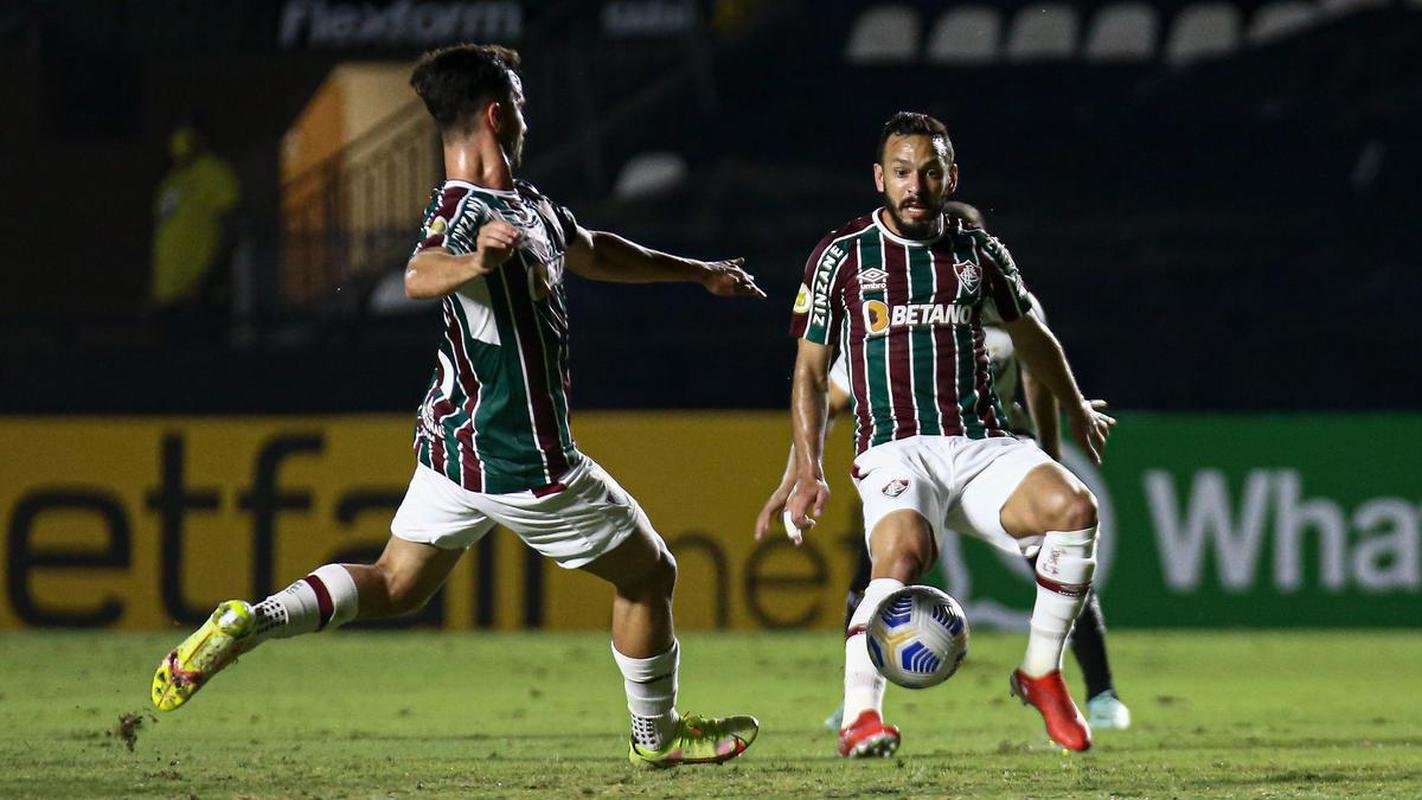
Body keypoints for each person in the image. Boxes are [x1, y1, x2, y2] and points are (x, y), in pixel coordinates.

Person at [150, 44, 765, 769]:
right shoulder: (465, 212)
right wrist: (475, 264)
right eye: (523, 106)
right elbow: (419, 274)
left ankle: (252, 620)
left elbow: (594, 247)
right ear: (499, 113)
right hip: (523, 458)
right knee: (651, 573)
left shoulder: (528, 206)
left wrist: (699, 273)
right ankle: (655, 738)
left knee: (394, 584)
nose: (529, 119)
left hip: (454, 452)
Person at [782, 112, 1117, 756]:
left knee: (1076, 510)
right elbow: (810, 371)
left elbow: (1031, 336)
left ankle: (1042, 673)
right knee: (899, 561)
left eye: (929, 172)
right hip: (896, 446)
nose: (915, 185)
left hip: (983, 443)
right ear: (880, 178)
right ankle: (860, 717)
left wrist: (1072, 405)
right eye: (902, 172)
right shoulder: (841, 256)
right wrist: (807, 468)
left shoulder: (980, 253)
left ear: (950, 177)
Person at [150, 116, 241, 329]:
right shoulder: (170, 182)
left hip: (199, 298)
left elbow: (232, 228)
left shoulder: (214, 172)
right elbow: (162, 236)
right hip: (166, 298)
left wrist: (205, 284)